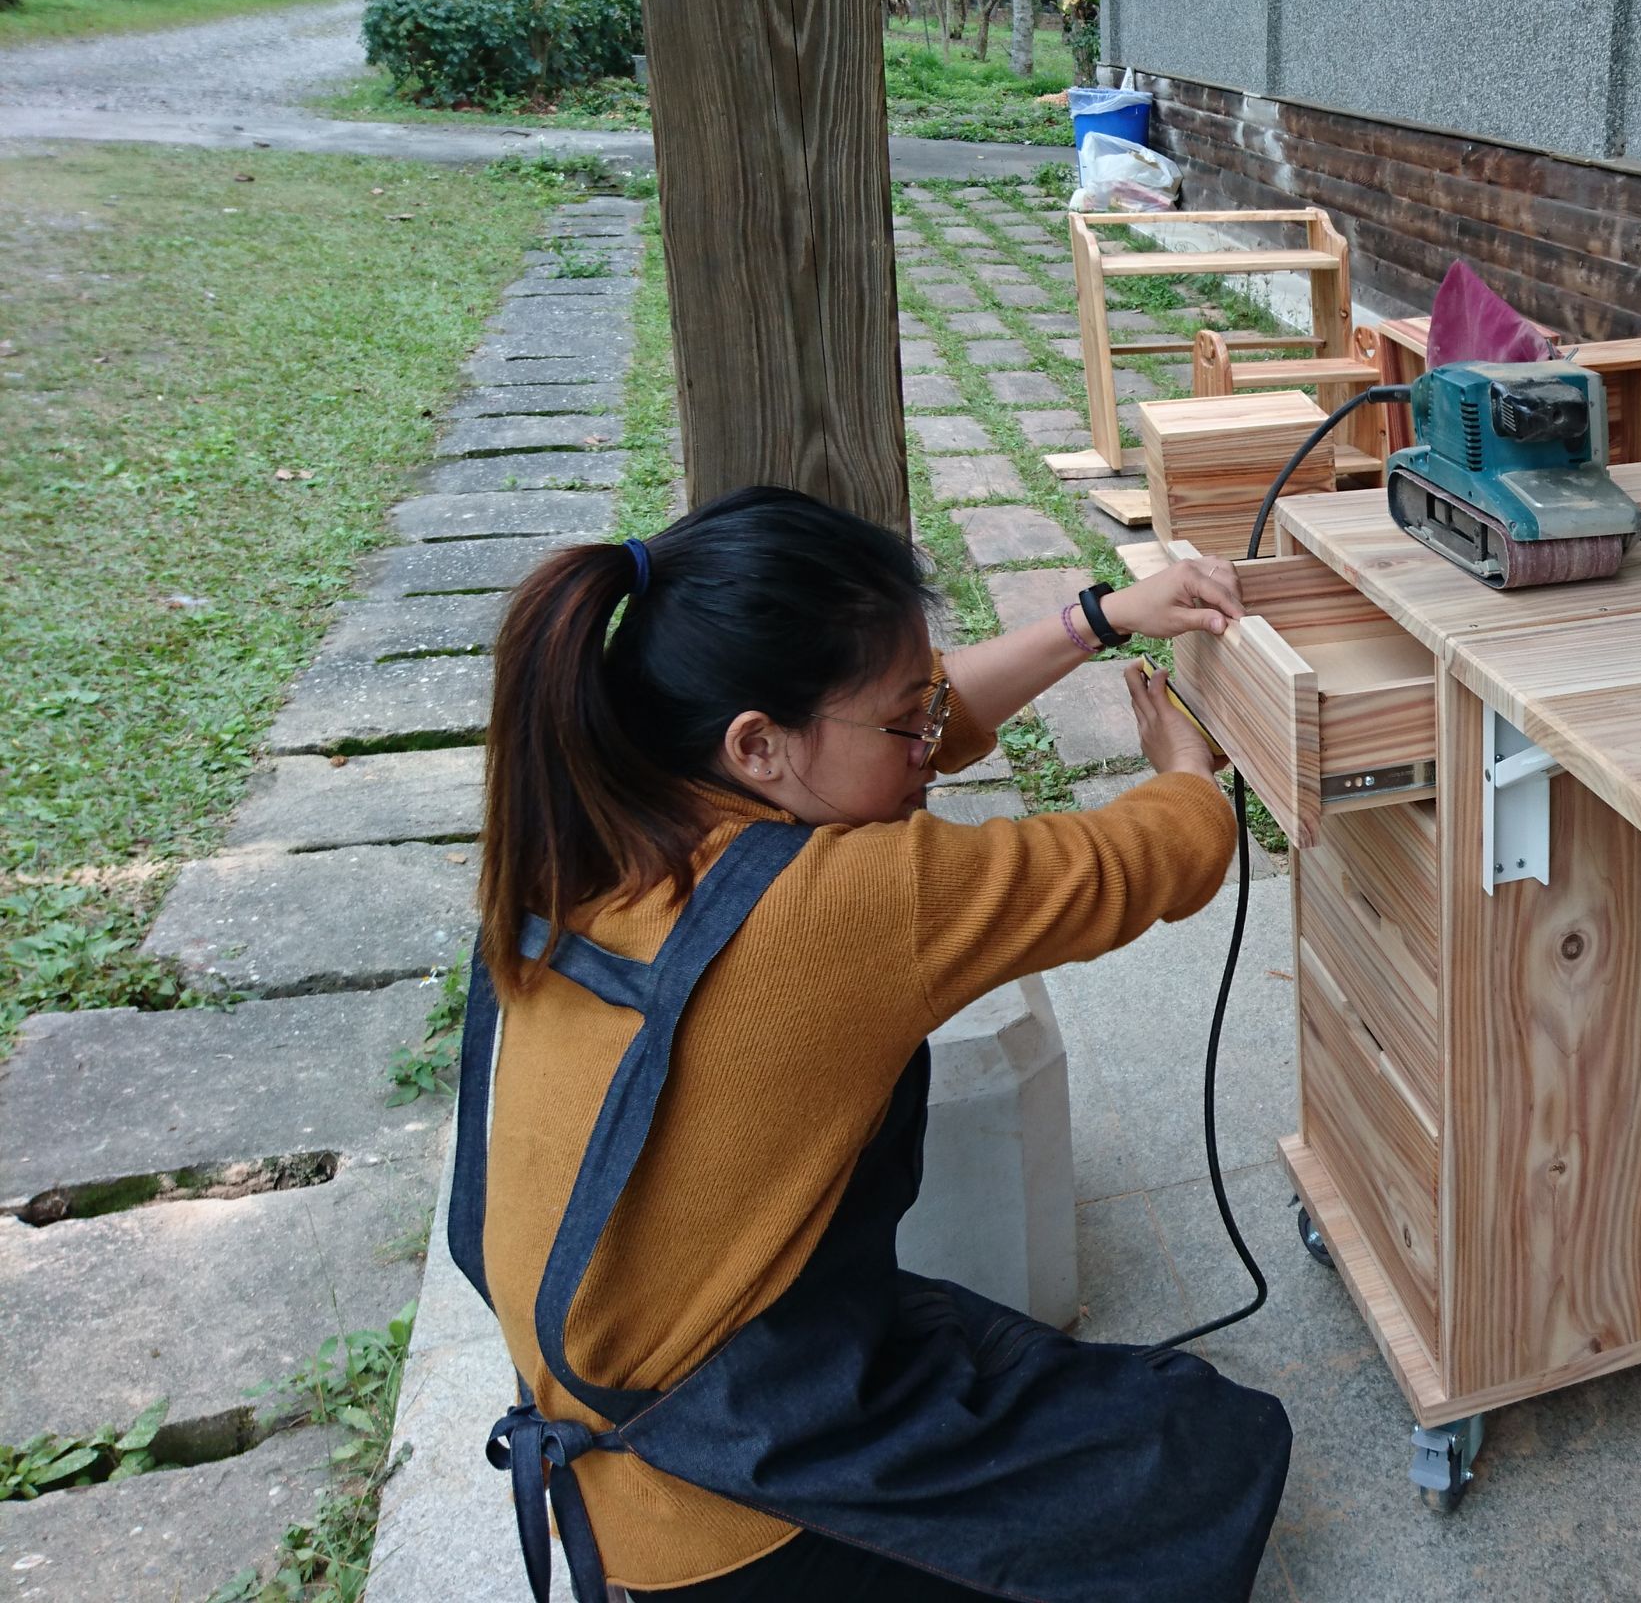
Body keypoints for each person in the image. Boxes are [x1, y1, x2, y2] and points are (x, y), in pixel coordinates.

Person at [447, 485, 1290, 1602]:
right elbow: (1144, 860)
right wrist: (1186, 770)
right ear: (758, 744)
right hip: (724, 1516)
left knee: (983, 1347)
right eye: (907, 721)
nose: (930, 740)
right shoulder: (843, 906)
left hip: (643, 1417)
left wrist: (1098, 619)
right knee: (1205, 1443)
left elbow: (909, 724)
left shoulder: (591, 821)